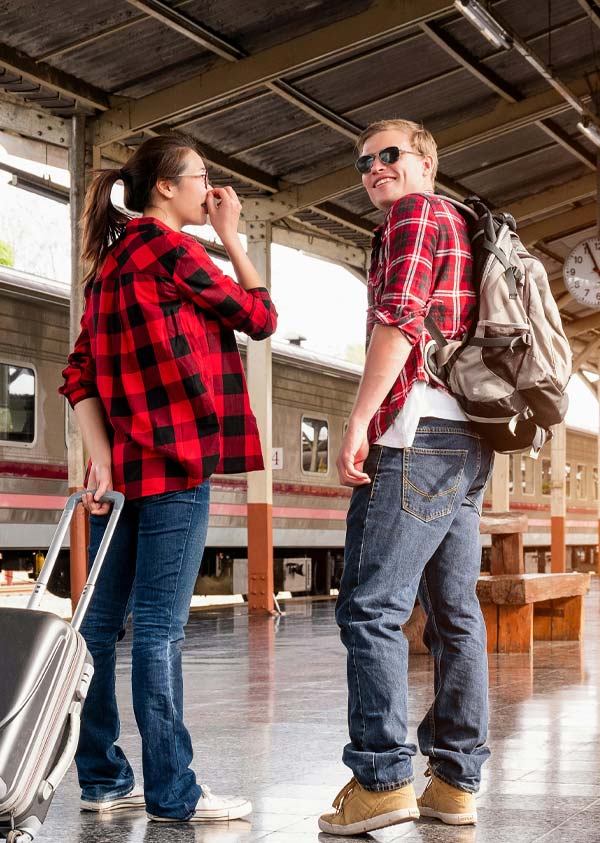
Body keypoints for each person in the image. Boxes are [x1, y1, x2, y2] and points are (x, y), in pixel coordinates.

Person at [59, 131, 277, 823]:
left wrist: (101, 457)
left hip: (124, 474)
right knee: (158, 630)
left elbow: (78, 374)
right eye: (201, 177)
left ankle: (100, 779)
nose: (208, 188)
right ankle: (174, 793)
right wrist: (231, 234)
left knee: (97, 626)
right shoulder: (175, 250)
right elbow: (261, 317)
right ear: (166, 188)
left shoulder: (112, 263)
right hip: (178, 463)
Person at [318, 119, 493, 836]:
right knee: (455, 616)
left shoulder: (418, 213)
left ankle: (383, 775)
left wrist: (359, 419)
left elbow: (400, 317)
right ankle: (453, 782)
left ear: (425, 159)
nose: (374, 169)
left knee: (371, 606)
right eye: (364, 162)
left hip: (416, 433)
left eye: (389, 155)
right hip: (466, 437)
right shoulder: (459, 220)